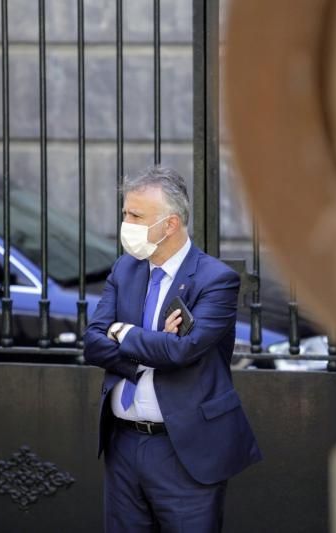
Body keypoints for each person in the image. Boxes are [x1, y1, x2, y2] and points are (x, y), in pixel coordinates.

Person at [83, 166, 262, 532]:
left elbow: (183, 352)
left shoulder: (215, 280)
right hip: (124, 444)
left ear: (170, 224)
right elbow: (93, 343)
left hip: (185, 449)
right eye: (125, 214)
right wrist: (149, 343)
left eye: (136, 216)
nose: (126, 223)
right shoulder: (125, 269)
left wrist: (124, 334)